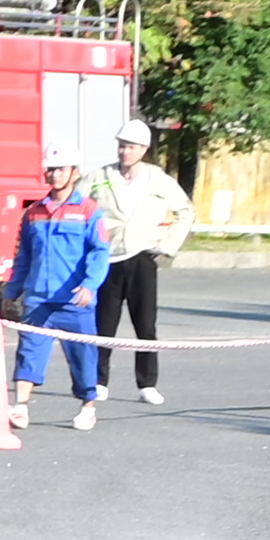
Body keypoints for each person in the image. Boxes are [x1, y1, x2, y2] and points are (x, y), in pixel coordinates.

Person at [5, 158, 116, 432]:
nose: (54, 175)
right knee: (29, 352)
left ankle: (87, 407)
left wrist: (90, 285)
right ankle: (20, 407)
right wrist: (12, 290)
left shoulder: (90, 212)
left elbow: (100, 252)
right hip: (38, 299)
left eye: (61, 169)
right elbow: (24, 256)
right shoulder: (34, 212)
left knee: (82, 356)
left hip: (74, 301)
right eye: (51, 169)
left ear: (74, 173)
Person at [91, 117, 193, 408]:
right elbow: (80, 205)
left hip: (143, 257)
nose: (125, 152)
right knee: (104, 324)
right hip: (109, 258)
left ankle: (147, 383)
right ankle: (98, 381)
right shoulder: (100, 175)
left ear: (144, 149)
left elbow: (186, 211)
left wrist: (168, 245)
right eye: (122, 146)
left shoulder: (158, 179)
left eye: (131, 147)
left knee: (145, 325)